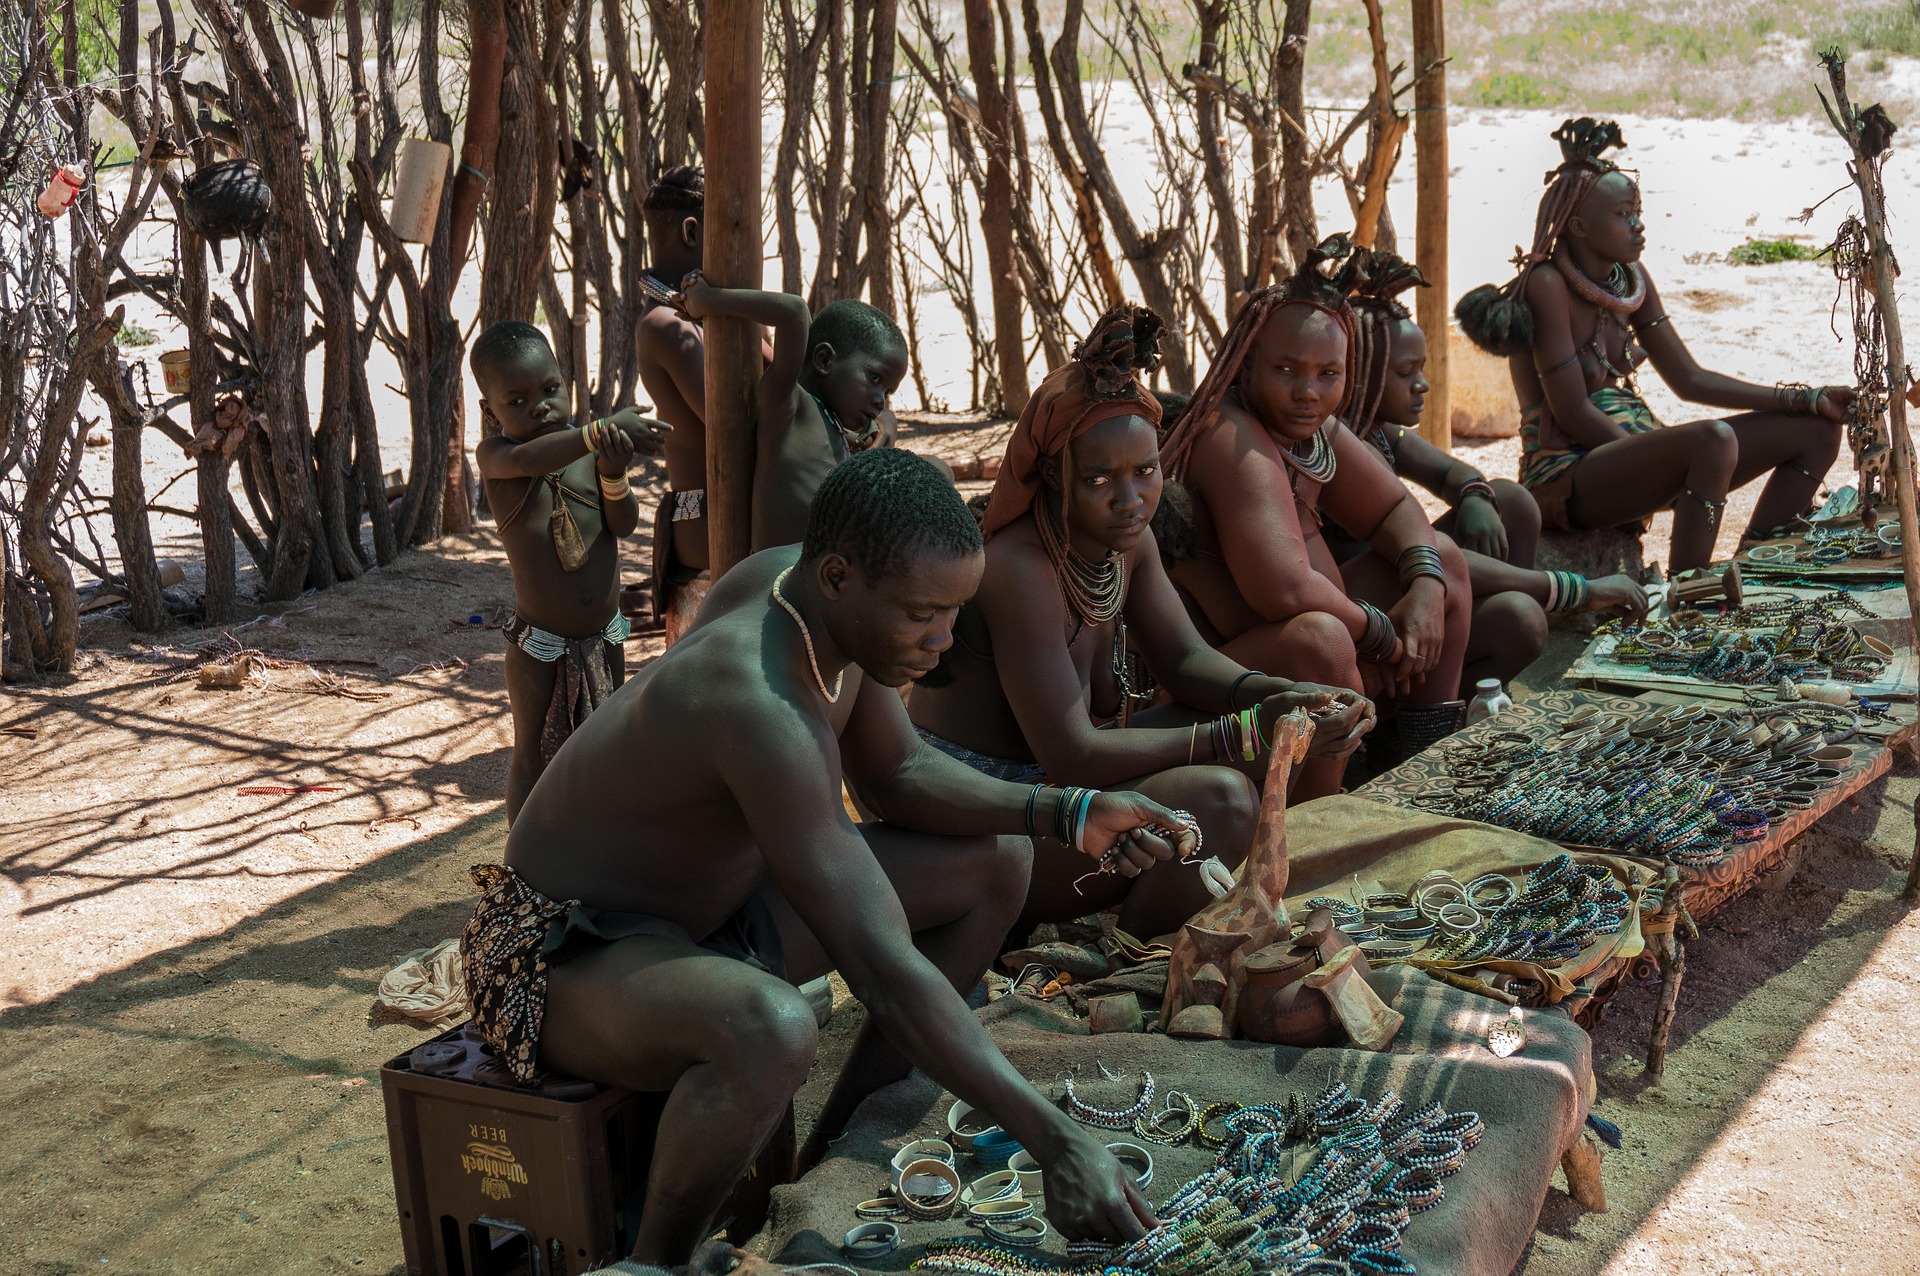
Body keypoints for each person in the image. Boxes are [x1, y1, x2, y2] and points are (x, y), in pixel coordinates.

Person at [461, 449, 1190, 1267]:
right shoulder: (757, 697)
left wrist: (1071, 811)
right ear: (840, 576)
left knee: (998, 863)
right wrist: (1057, 1144)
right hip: (558, 956)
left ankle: (839, 1147)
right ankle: (656, 1260)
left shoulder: (806, 598)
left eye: (955, 612)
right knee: (771, 1028)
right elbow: (876, 960)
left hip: (701, 920)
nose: (943, 640)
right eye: (922, 614)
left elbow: (901, 773)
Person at [908, 305, 1374, 939]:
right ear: (1052, 474)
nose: (1130, 499)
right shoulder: (1018, 570)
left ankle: (1152, 904)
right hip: (1000, 822)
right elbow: (1071, 753)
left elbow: (1185, 662)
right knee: (1221, 800)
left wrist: (1284, 700)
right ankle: (1136, 951)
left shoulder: (1128, 540)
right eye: (1099, 478)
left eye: (1145, 472)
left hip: (1068, 784)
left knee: (1266, 726)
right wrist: (1241, 734)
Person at [1455, 117, 1852, 573]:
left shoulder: (1632, 280)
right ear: (1579, 226)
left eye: (1638, 211)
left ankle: (1758, 563)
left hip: (1636, 451)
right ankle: (1691, 595)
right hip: (1570, 474)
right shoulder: (1547, 285)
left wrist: (1803, 398)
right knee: (1712, 441)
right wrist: (1656, 459)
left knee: (1816, 430)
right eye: (1623, 214)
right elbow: (1571, 413)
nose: (1639, 225)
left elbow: (1690, 379)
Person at [1159, 236, 1473, 800]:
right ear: (1248, 363)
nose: (1308, 391)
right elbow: (1282, 591)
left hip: (1314, 636)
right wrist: (1378, 633)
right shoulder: (1230, 434)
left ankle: (1419, 767)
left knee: (1442, 561)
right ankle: (1321, 814)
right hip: (1214, 677)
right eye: (1286, 369)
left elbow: (1397, 508)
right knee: (1322, 642)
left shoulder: (1308, 427)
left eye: (1328, 374)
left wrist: (1423, 587)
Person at [1336, 248, 1648, 684]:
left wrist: (1473, 495)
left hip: (1414, 580)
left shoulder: (1378, 431)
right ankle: (1425, 709)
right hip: (1369, 618)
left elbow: (1451, 473)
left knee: (1511, 501)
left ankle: (1486, 646)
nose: (1423, 384)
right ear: (1358, 375)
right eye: (1406, 373)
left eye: (1421, 369)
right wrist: (1578, 590)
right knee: (1521, 616)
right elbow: (1432, 554)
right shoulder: (1345, 448)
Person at [472, 321, 669, 821]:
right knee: (532, 757)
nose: (539, 405)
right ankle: (523, 872)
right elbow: (534, 458)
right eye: (515, 401)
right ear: (488, 411)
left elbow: (622, 526)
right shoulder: (499, 457)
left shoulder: (587, 452)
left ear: (567, 384)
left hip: (606, 635)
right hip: (538, 645)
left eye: (550, 390)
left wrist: (612, 471)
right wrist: (597, 432)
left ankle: (596, 846)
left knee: (607, 744)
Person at [632, 165, 717, 644]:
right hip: (706, 525)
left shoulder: (693, 318)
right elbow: (733, 423)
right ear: (692, 231)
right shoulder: (667, 327)